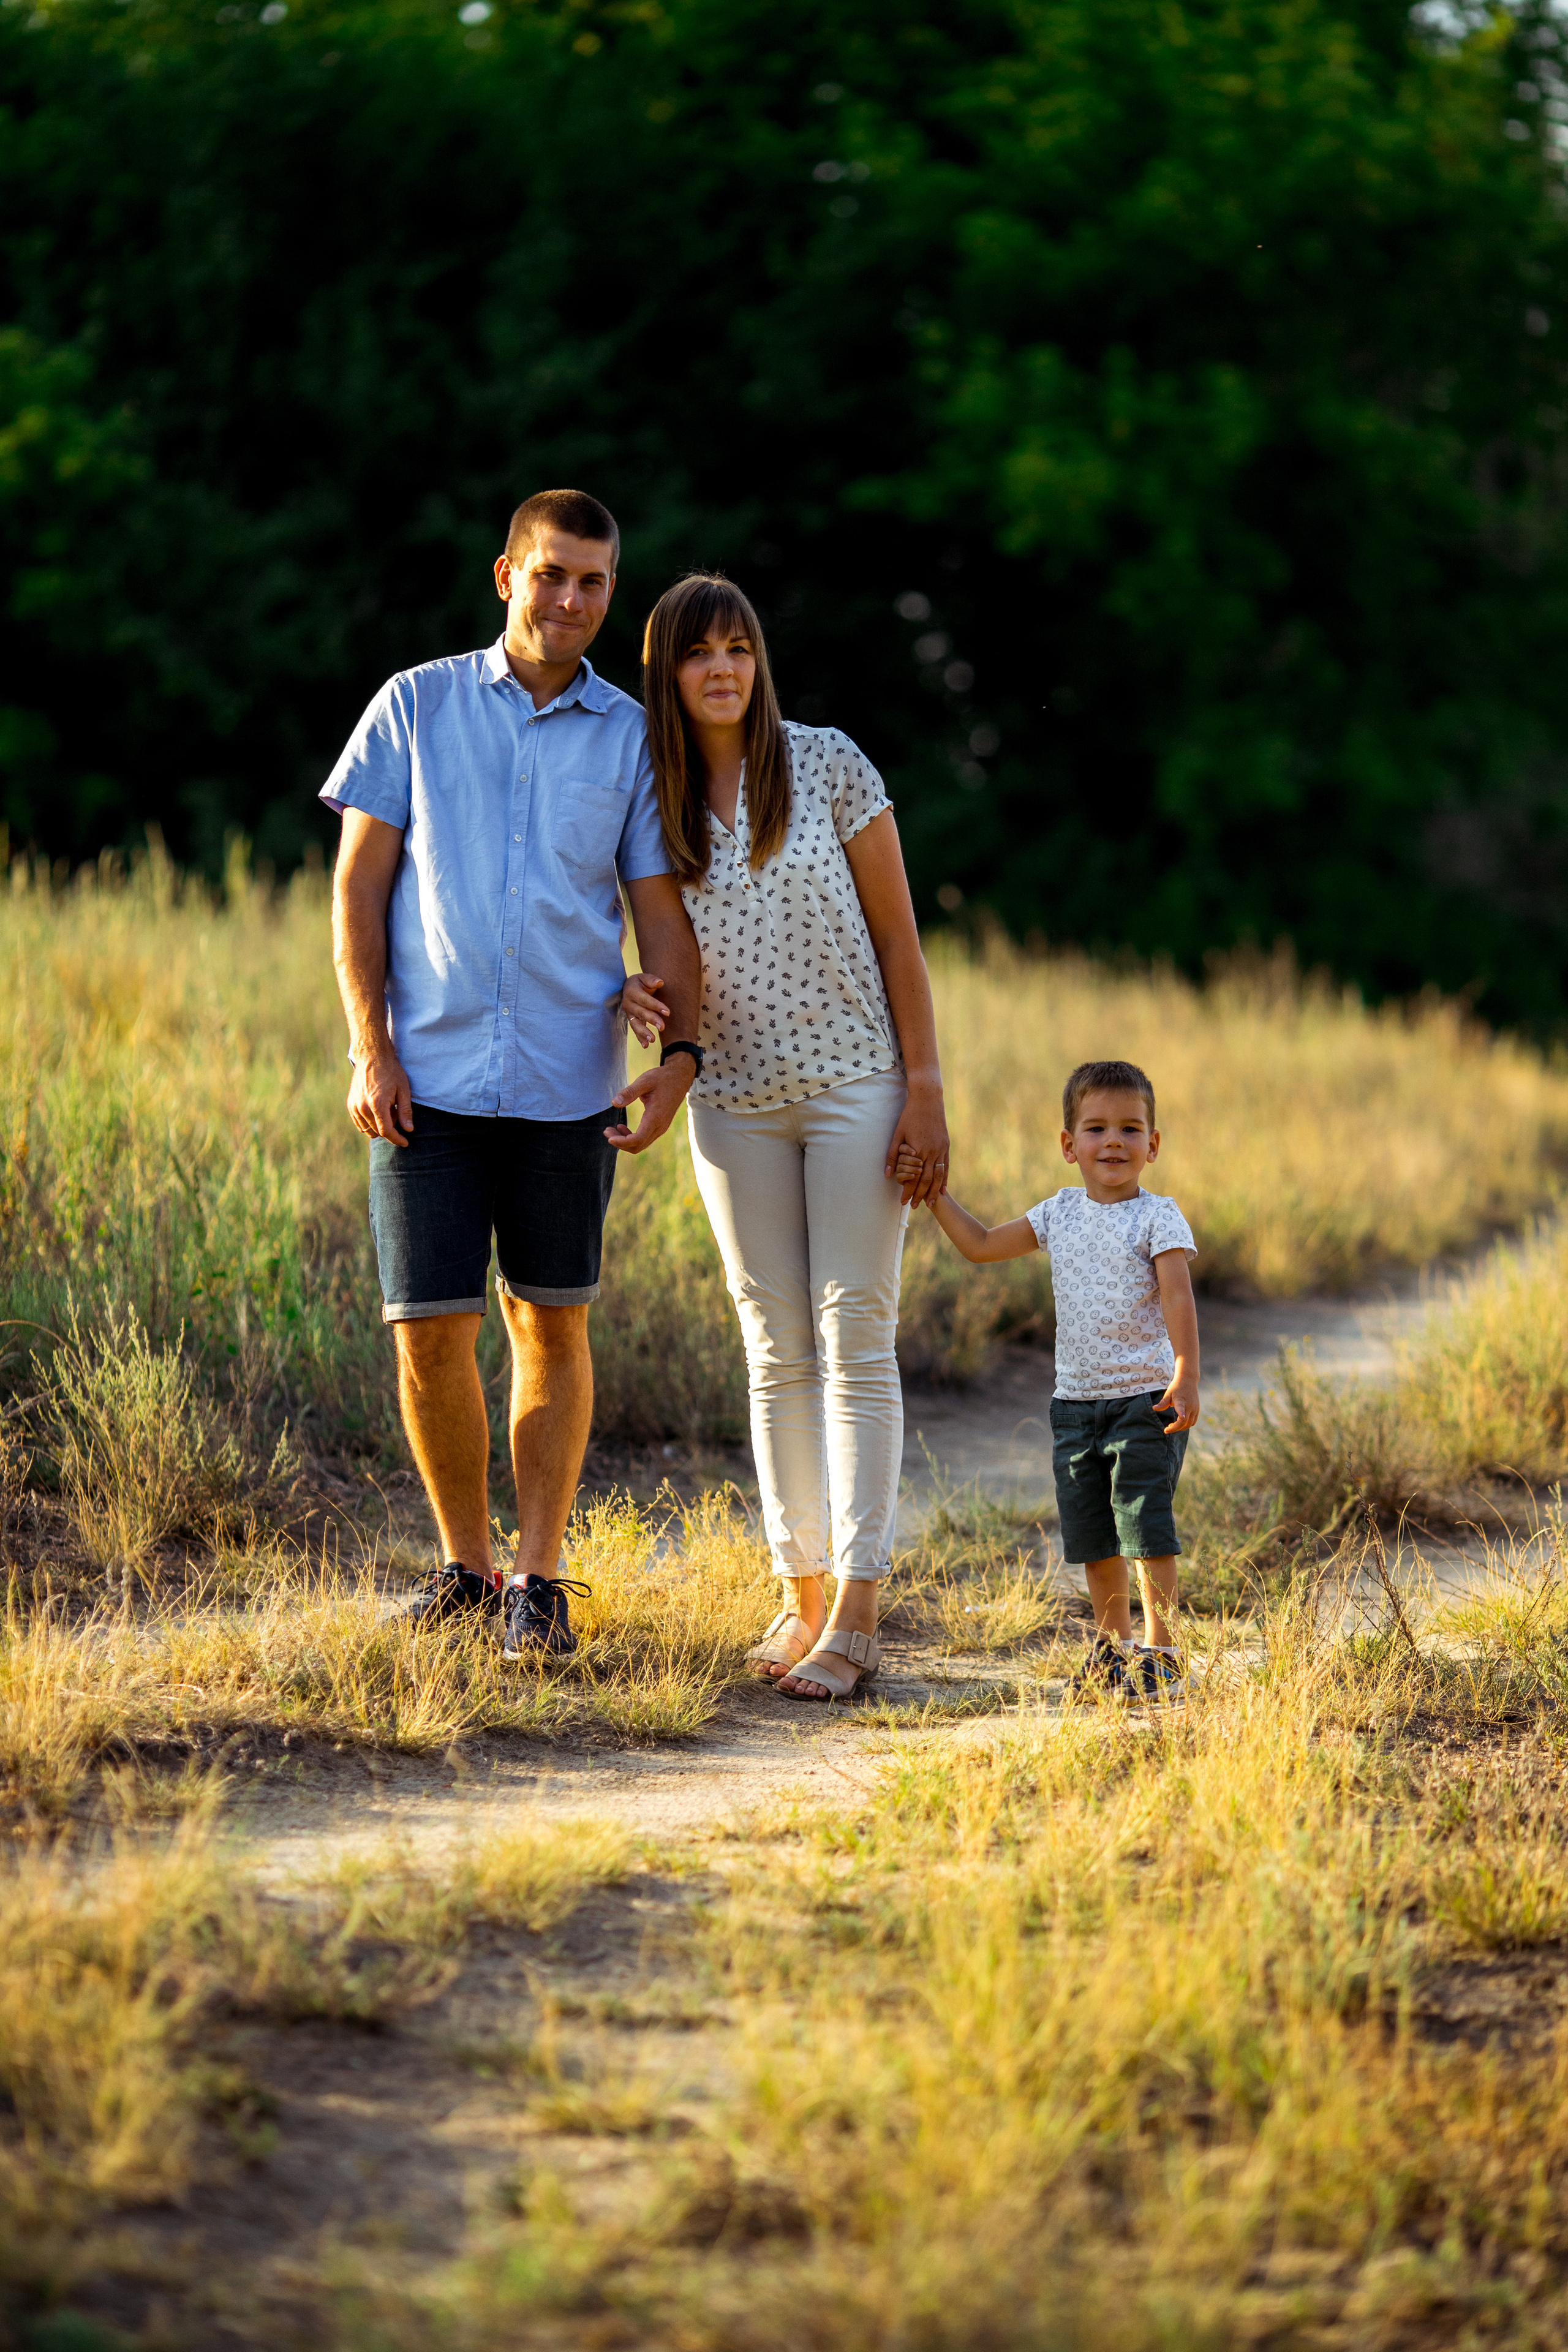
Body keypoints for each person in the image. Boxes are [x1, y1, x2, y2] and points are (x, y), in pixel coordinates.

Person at [322, 488, 702, 1658]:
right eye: (551, 576)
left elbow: (660, 915)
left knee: (550, 1326)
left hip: (565, 1089)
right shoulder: (416, 706)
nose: (571, 601)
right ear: (506, 577)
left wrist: (677, 1049)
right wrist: (370, 1047)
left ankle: (540, 1580)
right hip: (422, 1086)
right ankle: (467, 1571)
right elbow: (357, 894)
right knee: (428, 1334)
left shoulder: (634, 737)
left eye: (593, 583)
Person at [622, 572, 948, 1702]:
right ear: (667, 672)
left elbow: (902, 945)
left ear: (759, 663)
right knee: (773, 1347)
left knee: (854, 1335)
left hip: (859, 1086)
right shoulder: (647, 796)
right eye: (699, 654)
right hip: (733, 1103)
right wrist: (633, 999)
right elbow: (659, 949)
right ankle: (799, 1589)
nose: (723, 670)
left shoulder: (831, 763)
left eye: (740, 650)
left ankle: (857, 1608)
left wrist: (926, 1089)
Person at [901, 1058, 1199, 1701]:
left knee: (1145, 1530)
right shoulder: (1057, 1213)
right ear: (1069, 1146)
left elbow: (1178, 1298)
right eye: (1095, 1129)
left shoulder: (1159, 1217)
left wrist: (1185, 1373)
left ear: (1153, 1145)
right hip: (1075, 1407)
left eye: (1130, 1128)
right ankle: (1113, 1649)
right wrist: (933, 1195)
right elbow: (980, 1245)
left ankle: (1164, 1651)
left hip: (1145, 1401)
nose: (1113, 1141)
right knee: (1093, 1536)